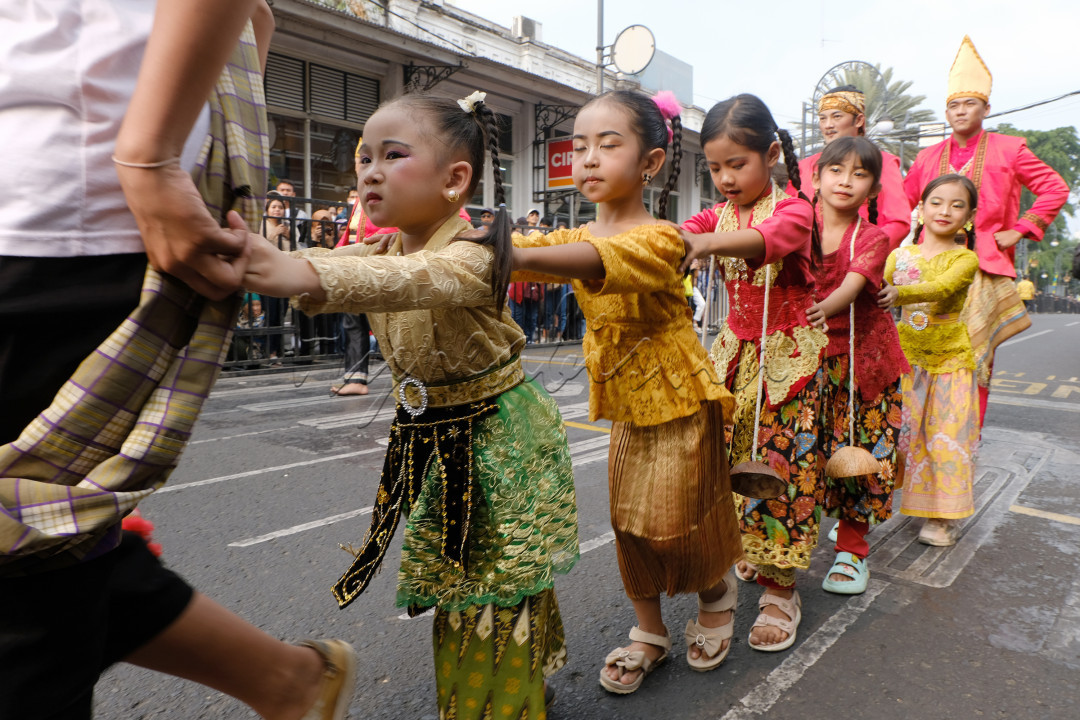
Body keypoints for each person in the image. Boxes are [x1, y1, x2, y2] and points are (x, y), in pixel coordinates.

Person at [0, 2, 355, 719]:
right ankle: (286, 680)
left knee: (29, 570)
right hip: (56, 186)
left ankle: (286, 680)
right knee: (37, 538)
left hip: (69, 210)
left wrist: (155, 155)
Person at [242, 91, 579, 719]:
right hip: (432, 433)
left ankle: (501, 705)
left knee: (494, 580)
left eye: (391, 155)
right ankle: (510, 690)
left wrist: (299, 276)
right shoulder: (382, 247)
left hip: (498, 437)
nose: (368, 170)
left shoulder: (474, 253)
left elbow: (411, 281)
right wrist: (261, 259)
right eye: (362, 158)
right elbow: (328, 261)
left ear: (456, 180)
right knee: (466, 577)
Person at [513, 89, 743, 692]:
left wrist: (500, 251)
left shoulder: (662, 238)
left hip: (680, 399)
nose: (587, 158)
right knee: (627, 521)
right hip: (624, 403)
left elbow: (595, 259)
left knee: (679, 520)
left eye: (607, 145)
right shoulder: (576, 234)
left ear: (652, 162)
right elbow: (532, 255)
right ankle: (650, 631)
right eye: (579, 146)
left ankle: (716, 591)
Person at [680, 93, 826, 653]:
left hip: (787, 363)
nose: (724, 178)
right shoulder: (713, 215)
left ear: (770, 155)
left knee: (780, 467)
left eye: (736, 165)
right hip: (733, 359)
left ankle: (780, 590)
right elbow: (684, 231)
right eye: (714, 167)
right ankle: (749, 550)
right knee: (724, 465)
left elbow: (771, 241)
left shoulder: (795, 207)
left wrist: (703, 242)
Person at [903, 36, 1069, 425]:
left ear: (986, 108)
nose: (960, 111)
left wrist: (1021, 229)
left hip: (984, 267)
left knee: (974, 358)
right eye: (953, 105)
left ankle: (964, 442)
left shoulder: (1010, 149)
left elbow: (1055, 187)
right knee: (920, 350)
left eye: (969, 104)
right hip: (929, 266)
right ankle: (918, 440)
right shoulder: (927, 156)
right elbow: (902, 201)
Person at [804, 137, 910, 594]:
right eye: (836, 170)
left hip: (864, 364)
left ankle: (852, 552)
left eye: (860, 174)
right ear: (816, 177)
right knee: (799, 455)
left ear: (873, 190)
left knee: (862, 457)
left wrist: (813, 311)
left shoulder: (873, 236)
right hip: (806, 360)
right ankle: (777, 543)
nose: (846, 181)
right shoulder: (795, 226)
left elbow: (849, 287)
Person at [879, 175, 981, 547]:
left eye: (957, 205)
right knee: (895, 435)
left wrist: (898, 293)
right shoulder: (898, 256)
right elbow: (873, 291)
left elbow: (941, 289)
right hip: (904, 358)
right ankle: (869, 507)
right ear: (920, 209)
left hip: (950, 360)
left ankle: (941, 517)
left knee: (945, 438)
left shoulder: (965, 259)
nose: (945, 211)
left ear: (969, 217)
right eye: (936, 202)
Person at [792, 85, 911, 250]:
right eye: (822, 118)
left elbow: (898, 222)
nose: (828, 125)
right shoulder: (805, 167)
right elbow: (790, 218)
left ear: (859, 120)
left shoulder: (883, 162)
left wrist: (865, 255)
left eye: (837, 116)